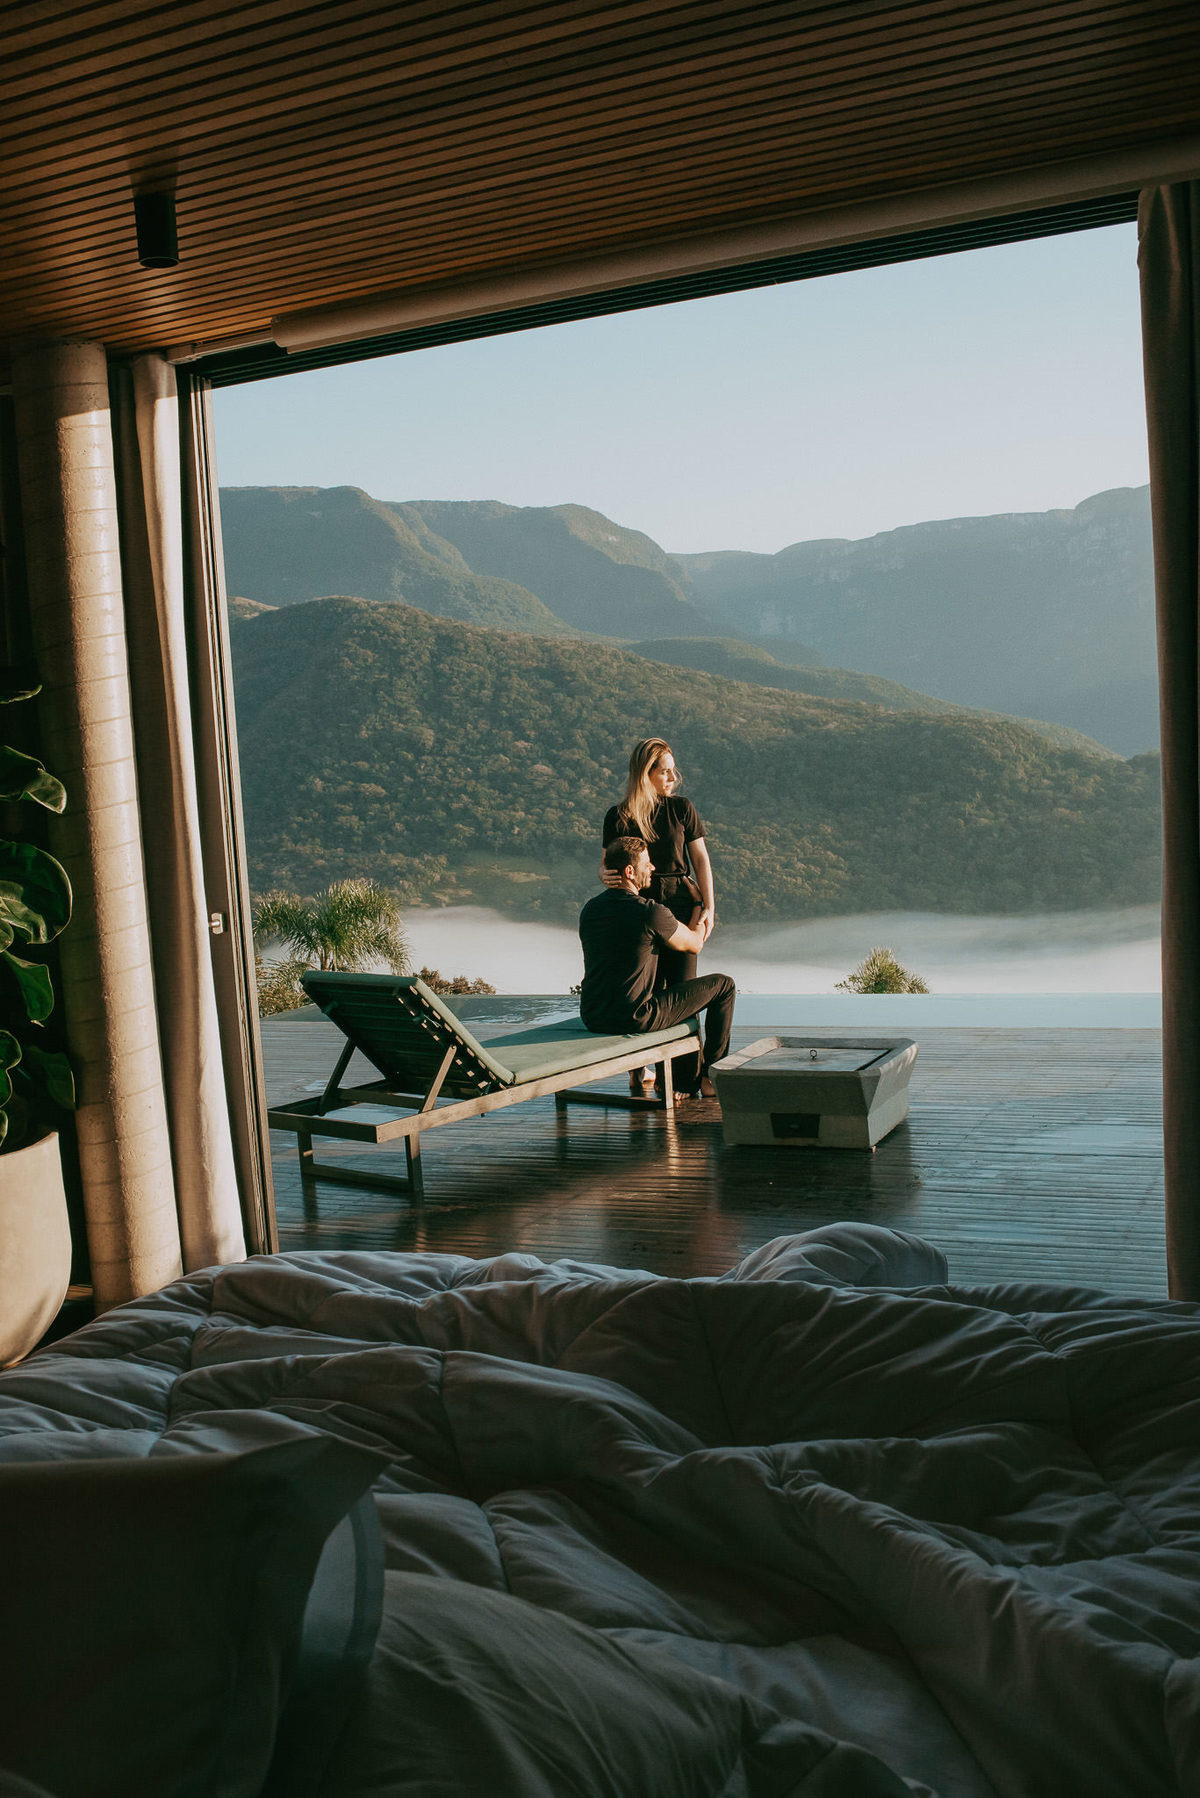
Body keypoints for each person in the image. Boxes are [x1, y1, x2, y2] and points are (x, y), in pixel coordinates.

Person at [601, 736, 716, 1089]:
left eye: (672, 770)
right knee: (642, 991)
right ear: (645, 773)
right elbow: (608, 864)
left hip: (680, 903)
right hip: (636, 909)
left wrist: (709, 906)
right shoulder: (618, 816)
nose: (673, 777)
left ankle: (684, 1082)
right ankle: (639, 1069)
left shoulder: (681, 808)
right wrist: (604, 874)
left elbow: (701, 859)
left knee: (682, 991)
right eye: (664, 771)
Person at [578, 837, 735, 1097]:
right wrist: (699, 904)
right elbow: (694, 944)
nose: (652, 868)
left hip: (593, 1016)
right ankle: (710, 1078)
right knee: (725, 986)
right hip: (635, 1017)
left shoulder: (590, 909)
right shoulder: (650, 912)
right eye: (647, 863)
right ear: (630, 871)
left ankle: (639, 1074)